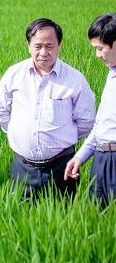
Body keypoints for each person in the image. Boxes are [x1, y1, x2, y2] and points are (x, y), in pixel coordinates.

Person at [0, 18, 95, 200]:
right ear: (28, 45)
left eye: (50, 46)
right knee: (19, 220)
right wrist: (19, 130)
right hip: (22, 166)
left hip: (62, 166)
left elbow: (86, 121)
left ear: (59, 45)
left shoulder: (75, 79)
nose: (43, 52)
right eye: (38, 46)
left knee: (63, 219)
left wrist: (63, 136)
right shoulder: (14, 74)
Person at [65, 13, 116, 208]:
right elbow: (102, 124)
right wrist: (81, 156)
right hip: (101, 159)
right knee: (98, 217)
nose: (97, 55)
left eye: (100, 48)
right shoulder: (111, 75)